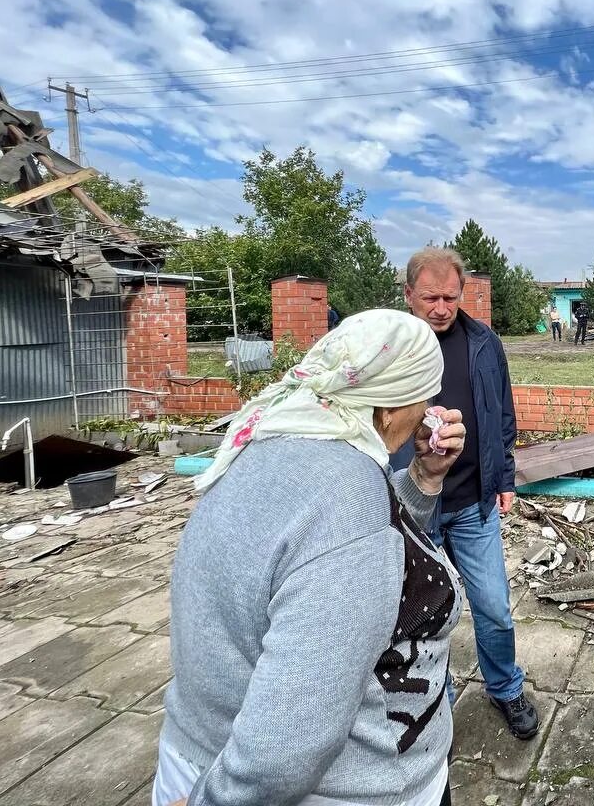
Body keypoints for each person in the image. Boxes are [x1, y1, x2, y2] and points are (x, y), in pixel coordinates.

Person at [155, 309, 466, 806]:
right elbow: (288, 745)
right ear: (389, 410)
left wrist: (424, 480)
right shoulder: (348, 495)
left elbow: (339, 553)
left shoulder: (278, 437)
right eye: (425, 395)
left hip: (203, 746)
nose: (430, 408)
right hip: (336, 791)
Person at [394, 247, 540, 739]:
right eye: (430, 297)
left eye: (450, 297)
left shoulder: (483, 341)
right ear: (408, 294)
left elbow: (502, 413)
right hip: (413, 506)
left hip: (474, 501)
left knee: (494, 607)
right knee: (420, 618)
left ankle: (505, 688)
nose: (440, 307)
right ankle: (437, 701)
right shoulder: (391, 346)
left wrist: (503, 478)